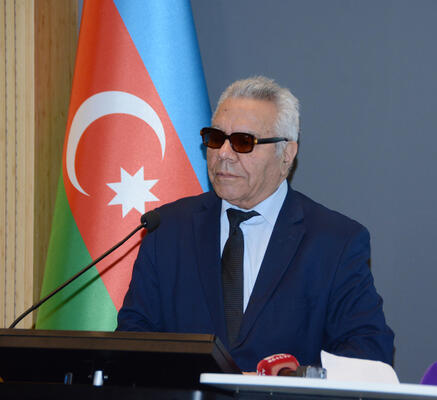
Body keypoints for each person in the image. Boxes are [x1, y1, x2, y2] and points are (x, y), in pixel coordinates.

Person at [117, 76, 394, 371]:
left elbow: (369, 352)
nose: (223, 154)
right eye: (215, 138)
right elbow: (133, 340)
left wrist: (286, 380)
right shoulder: (167, 228)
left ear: (286, 154)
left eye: (243, 142)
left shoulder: (335, 242)